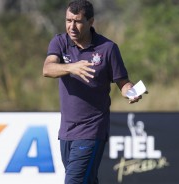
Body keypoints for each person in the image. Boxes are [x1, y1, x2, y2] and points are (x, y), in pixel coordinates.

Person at [43, 0, 144, 183]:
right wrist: (71, 68)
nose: (71, 26)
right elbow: (47, 69)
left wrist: (131, 92)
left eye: (78, 21)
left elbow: (123, 83)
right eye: (68, 20)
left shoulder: (107, 48)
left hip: (92, 130)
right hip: (67, 131)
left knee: (74, 181)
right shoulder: (60, 42)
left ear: (91, 22)